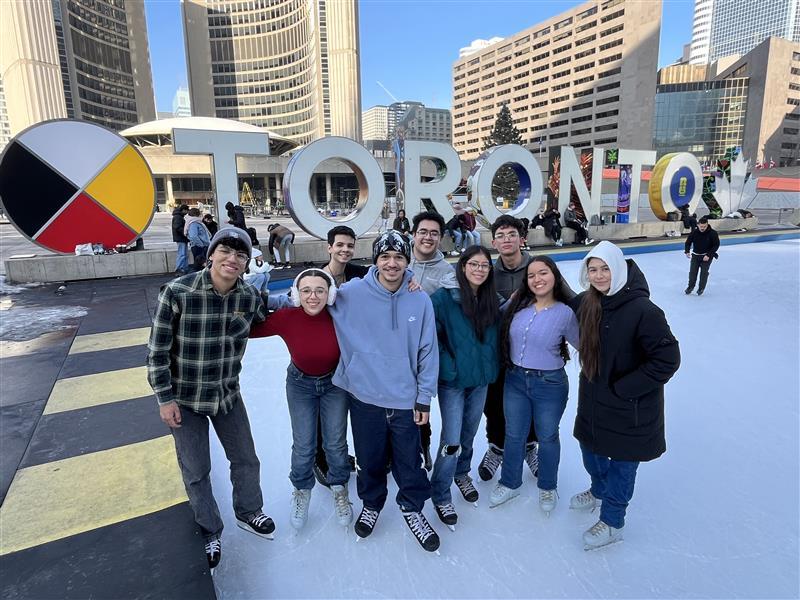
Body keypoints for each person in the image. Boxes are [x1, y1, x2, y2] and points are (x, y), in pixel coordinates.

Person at [147, 227, 275, 569]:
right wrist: (164, 398)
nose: (232, 259)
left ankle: (249, 511)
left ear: (247, 263)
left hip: (226, 395)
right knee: (197, 469)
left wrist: (311, 294)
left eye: (241, 255)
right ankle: (209, 528)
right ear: (211, 255)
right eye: (226, 252)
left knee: (246, 458)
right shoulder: (178, 292)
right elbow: (156, 352)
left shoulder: (247, 297)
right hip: (184, 399)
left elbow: (270, 312)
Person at [327, 231, 440, 552]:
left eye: (399, 258)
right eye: (385, 257)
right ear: (375, 260)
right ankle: (372, 503)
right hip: (365, 397)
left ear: (407, 261)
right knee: (369, 459)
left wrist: (424, 397)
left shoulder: (419, 299)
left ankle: (412, 507)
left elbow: (428, 351)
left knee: (410, 462)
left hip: (406, 400)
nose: (392, 264)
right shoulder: (350, 293)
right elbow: (313, 292)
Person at [570, 240, 680, 549]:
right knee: (590, 451)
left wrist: (625, 388)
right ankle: (598, 488)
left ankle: (613, 521)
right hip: (593, 401)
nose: (599, 275)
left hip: (629, 407)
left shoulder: (644, 310)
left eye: (605, 268)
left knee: (622, 464)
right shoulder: (589, 302)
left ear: (618, 268)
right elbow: (556, 299)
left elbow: (668, 358)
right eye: (593, 269)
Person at [250, 269, 353, 530]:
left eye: (320, 290)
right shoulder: (287, 317)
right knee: (304, 443)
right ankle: (301, 488)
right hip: (300, 385)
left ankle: (339, 485)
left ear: (330, 294)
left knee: (336, 442)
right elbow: (249, 330)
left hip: (335, 384)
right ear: (296, 294)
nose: (313, 296)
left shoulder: (339, 315)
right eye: (306, 290)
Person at [490, 256, 579, 515]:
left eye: (543, 273)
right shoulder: (518, 306)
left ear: (554, 277)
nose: (537, 279)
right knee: (514, 435)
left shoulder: (565, 312)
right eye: (531, 276)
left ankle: (548, 485)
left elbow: (584, 345)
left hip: (549, 384)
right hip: (515, 380)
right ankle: (510, 482)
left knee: (547, 436)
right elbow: (490, 319)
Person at [429, 246, 501, 529]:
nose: (480, 270)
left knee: (469, 433)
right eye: (474, 264)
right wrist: (450, 367)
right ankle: (440, 491)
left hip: (481, 379)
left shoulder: (491, 299)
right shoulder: (443, 298)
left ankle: (462, 472)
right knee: (452, 438)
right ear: (462, 266)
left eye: (485, 265)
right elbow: (431, 337)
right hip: (454, 382)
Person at [478, 215, 540, 482]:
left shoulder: (539, 268)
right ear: (493, 242)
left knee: (532, 402)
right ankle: (496, 447)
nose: (506, 240)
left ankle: (529, 446)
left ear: (521, 238)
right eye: (501, 235)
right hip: (499, 352)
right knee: (494, 403)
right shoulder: (488, 273)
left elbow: (569, 299)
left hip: (535, 353)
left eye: (511, 234)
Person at [311, 225, 369, 487]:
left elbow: (390, 276)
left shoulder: (359, 273)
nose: (345, 250)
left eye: (349, 245)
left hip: (352, 357)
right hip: (323, 355)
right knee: (324, 415)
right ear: (329, 247)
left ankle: (338, 454)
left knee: (343, 412)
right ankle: (319, 459)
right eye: (340, 245)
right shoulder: (315, 278)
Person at [409, 210, 456, 470]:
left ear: (440, 238)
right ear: (414, 234)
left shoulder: (447, 271)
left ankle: (422, 446)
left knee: (420, 403)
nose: (428, 237)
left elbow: (455, 307)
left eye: (434, 233)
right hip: (395, 349)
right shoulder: (399, 261)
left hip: (426, 350)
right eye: (423, 232)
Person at [684, 216, 720, 296]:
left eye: (704, 226)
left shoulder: (712, 233)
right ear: (698, 225)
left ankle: (701, 288)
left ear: (707, 225)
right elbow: (688, 242)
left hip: (707, 257)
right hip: (696, 255)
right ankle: (690, 287)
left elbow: (716, 245)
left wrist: (708, 255)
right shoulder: (694, 232)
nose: (703, 228)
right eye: (701, 226)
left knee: (704, 273)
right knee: (692, 273)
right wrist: (687, 251)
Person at [171, 204, 190, 275]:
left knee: (183, 254)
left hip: (181, 238)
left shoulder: (178, 216)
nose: (187, 212)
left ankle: (183, 268)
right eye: (187, 210)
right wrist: (185, 233)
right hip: (181, 238)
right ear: (184, 210)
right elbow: (178, 227)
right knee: (182, 254)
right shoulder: (178, 217)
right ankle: (180, 268)